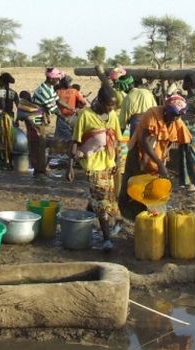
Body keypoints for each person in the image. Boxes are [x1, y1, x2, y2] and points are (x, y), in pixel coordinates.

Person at [67, 85, 122, 251]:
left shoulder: (112, 116)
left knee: (100, 198)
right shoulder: (85, 115)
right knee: (102, 200)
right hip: (93, 164)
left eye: (113, 106)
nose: (111, 108)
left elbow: (117, 140)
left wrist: (117, 161)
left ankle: (83, 225)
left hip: (108, 163)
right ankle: (107, 239)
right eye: (108, 105)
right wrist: (69, 167)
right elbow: (75, 141)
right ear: (99, 100)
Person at [118, 96, 190, 220]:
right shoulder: (152, 114)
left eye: (178, 116)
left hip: (157, 158)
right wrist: (160, 164)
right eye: (173, 115)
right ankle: (125, 214)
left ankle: (147, 217)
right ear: (166, 110)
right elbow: (144, 141)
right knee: (133, 184)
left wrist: (180, 166)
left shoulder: (176, 121)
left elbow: (186, 141)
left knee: (151, 188)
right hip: (139, 155)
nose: (175, 118)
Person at [32, 67, 70, 178]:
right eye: (56, 79)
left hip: (40, 114)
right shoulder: (44, 90)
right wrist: (65, 119)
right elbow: (54, 108)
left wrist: (71, 109)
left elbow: (57, 100)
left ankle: (41, 167)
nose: (58, 81)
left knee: (42, 141)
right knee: (40, 141)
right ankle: (39, 169)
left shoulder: (49, 87)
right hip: (37, 116)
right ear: (50, 78)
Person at [178, 74, 195, 195]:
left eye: (184, 81)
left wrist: (186, 122)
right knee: (186, 158)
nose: (182, 84)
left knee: (194, 158)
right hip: (185, 131)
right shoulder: (186, 97)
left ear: (188, 83)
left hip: (193, 131)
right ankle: (191, 184)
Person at [16, 91, 45, 171]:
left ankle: (35, 167)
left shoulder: (23, 107)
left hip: (32, 133)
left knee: (33, 151)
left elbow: (20, 116)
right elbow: (39, 122)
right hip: (40, 133)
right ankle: (40, 166)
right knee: (39, 151)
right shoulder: (37, 107)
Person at [55, 75, 86, 142]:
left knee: (60, 139)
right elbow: (83, 102)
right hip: (73, 117)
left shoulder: (57, 92)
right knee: (73, 137)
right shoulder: (74, 91)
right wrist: (78, 108)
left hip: (61, 117)